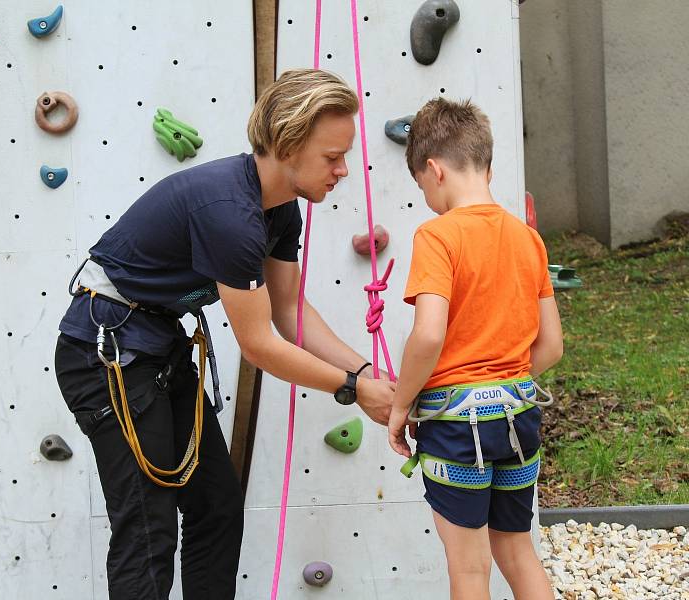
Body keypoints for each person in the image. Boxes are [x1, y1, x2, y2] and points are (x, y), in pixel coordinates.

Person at [54, 68, 395, 600]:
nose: (343, 171)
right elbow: (260, 345)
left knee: (216, 505)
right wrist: (351, 390)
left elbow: (289, 310)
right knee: (148, 527)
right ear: (287, 143)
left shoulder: (279, 209)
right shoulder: (230, 215)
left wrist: (366, 372)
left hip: (156, 347)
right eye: (332, 157)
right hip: (105, 353)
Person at [387, 98, 563, 600]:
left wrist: (402, 404)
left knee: (468, 569)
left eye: (422, 186)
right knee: (516, 549)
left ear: (434, 169)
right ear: (486, 164)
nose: (426, 197)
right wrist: (499, 377)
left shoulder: (437, 236)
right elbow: (550, 345)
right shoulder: (528, 240)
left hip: (457, 429)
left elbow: (427, 334)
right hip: (519, 416)